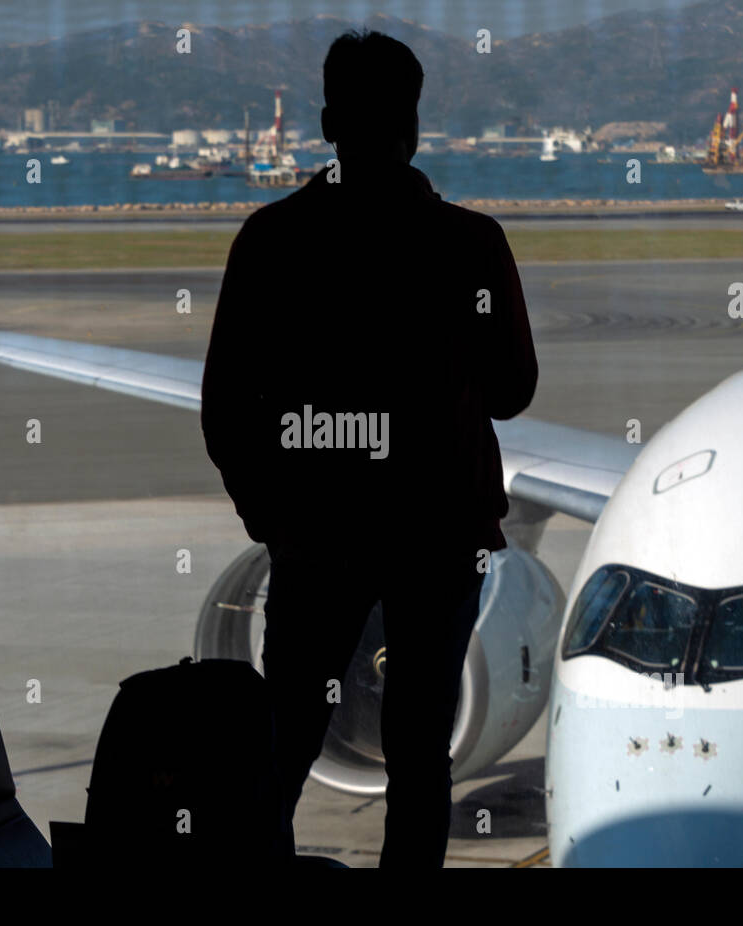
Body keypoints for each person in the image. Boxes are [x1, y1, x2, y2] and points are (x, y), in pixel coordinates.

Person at [201, 29, 537, 866]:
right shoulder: (470, 246)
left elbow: (222, 409)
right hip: (436, 542)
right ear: (413, 126)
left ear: (325, 122)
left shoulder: (270, 241)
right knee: (421, 757)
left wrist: (271, 517)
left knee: (280, 749)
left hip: (315, 540)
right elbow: (513, 393)